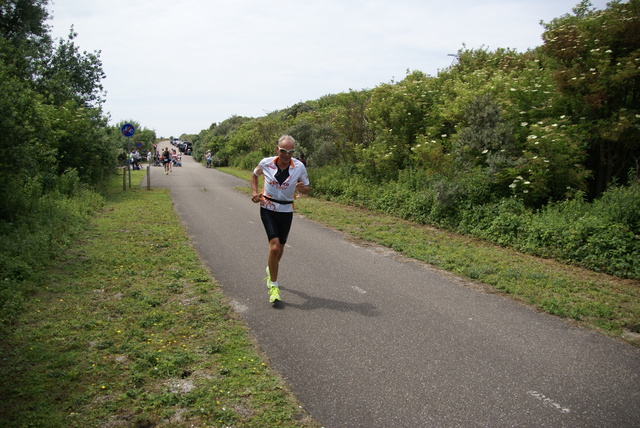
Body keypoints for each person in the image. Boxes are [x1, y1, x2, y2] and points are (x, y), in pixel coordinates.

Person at [251, 135, 310, 303]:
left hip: (286, 209)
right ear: (277, 149)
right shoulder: (266, 163)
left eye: (290, 152)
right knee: (275, 247)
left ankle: (271, 268)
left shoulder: (299, 167)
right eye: (283, 151)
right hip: (268, 207)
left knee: (281, 247)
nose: (286, 155)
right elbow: (254, 175)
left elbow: (307, 189)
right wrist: (255, 193)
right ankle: (274, 286)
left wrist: (302, 188)